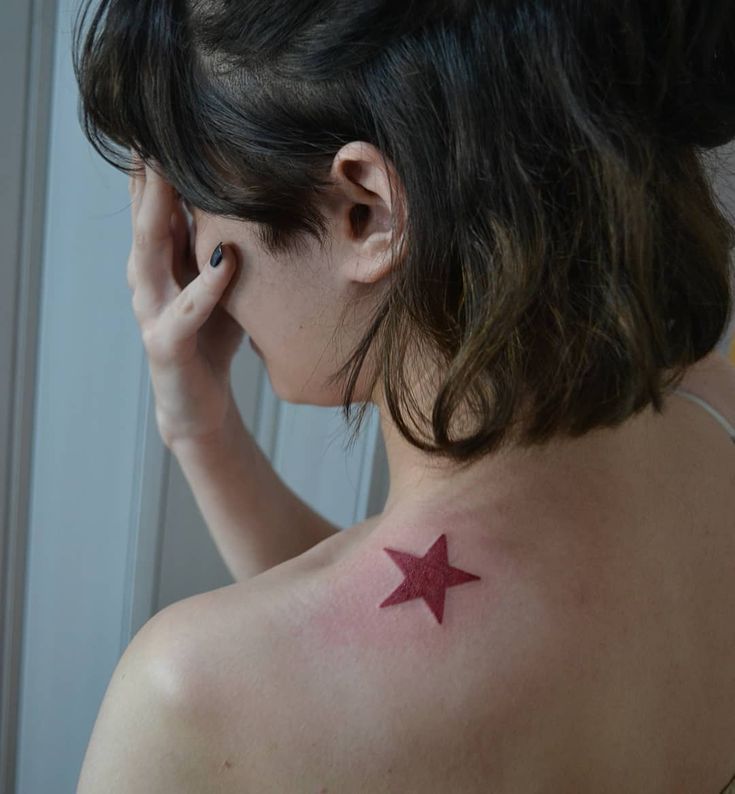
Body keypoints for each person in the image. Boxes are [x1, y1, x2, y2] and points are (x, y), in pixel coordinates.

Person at [71, 1, 735, 791]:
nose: (180, 248)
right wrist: (203, 432)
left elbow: (335, 661)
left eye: (191, 193)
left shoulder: (185, 697)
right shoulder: (715, 409)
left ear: (367, 212)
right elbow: (352, 639)